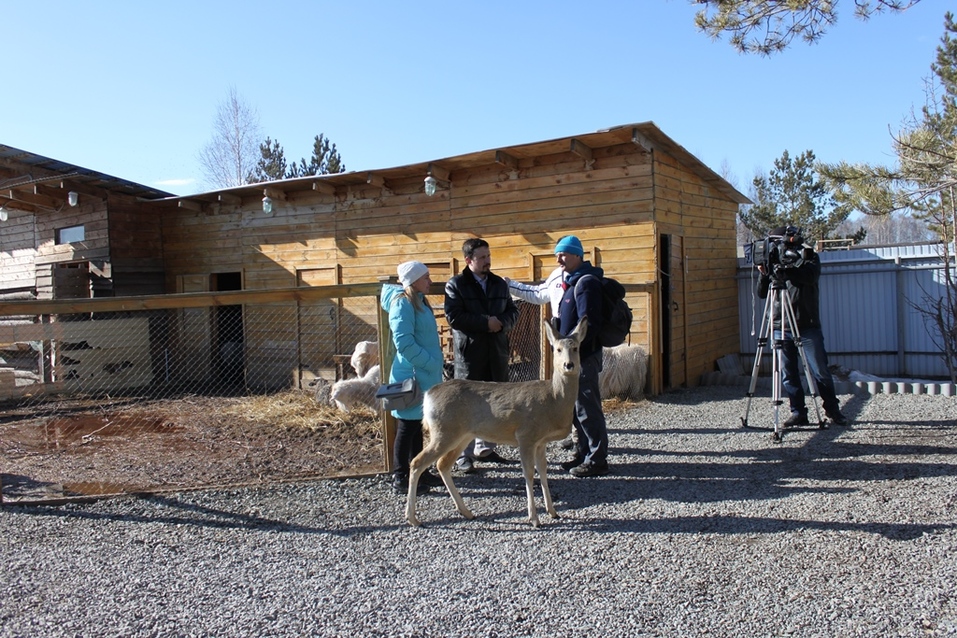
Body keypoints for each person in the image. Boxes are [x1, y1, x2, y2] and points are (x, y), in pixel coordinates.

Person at [506, 235, 610, 477]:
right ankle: (582, 454)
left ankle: (597, 459)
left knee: (587, 406)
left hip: (580, 357)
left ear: (577, 255)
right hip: (568, 358)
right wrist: (510, 285)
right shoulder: (566, 279)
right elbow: (539, 294)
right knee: (574, 406)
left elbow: (588, 324)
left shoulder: (585, 283)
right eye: (557, 254)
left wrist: (570, 346)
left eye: (563, 254)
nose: (558, 258)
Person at [757, 226, 849, 427]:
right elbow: (762, 293)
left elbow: (810, 277)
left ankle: (832, 410)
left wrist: (789, 270)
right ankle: (798, 412)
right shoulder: (772, 260)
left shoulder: (808, 256)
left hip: (806, 324)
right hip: (781, 324)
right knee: (788, 374)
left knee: (820, 371)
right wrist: (765, 274)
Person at [444, 238, 520, 473]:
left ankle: (485, 448)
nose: (487, 261)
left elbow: (512, 311)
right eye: (482, 257)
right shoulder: (456, 285)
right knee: (467, 406)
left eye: (488, 256)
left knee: (494, 403)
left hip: (496, 351)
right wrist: (486, 323)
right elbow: (454, 316)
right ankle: (462, 455)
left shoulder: (499, 284)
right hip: (470, 355)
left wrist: (503, 324)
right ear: (469, 260)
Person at [380, 261, 446, 493]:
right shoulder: (403, 304)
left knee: (417, 425)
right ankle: (400, 477)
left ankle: (421, 472)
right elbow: (404, 344)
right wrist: (430, 363)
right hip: (413, 376)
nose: (430, 281)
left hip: (423, 375)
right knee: (406, 426)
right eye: (426, 277)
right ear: (414, 280)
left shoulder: (418, 300)